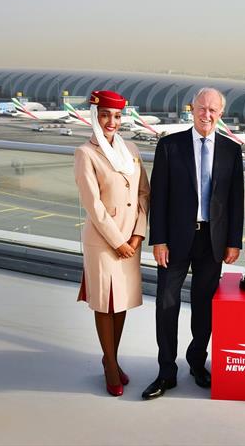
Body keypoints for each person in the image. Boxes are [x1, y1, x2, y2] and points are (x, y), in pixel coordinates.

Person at [142, 87, 244, 400]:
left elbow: (235, 199)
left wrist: (233, 241)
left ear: (221, 114)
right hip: (174, 239)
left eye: (213, 110)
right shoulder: (170, 146)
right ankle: (166, 371)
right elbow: (158, 196)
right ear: (192, 108)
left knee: (204, 307)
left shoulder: (231, 149)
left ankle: (198, 364)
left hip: (212, 240)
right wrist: (157, 238)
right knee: (166, 304)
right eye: (202, 108)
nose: (207, 115)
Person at [74, 90, 150, 397]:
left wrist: (136, 235)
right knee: (105, 302)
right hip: (104, 242)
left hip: (130, 240)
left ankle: (113, 358)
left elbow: (144, 193)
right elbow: (93, 205)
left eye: (117, 116)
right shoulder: (86, 153)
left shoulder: (130, 148)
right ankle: (109, 364)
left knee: (121, 302)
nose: (111, 122)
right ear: (95, 116)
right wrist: (119, 241)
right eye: (105, 115)